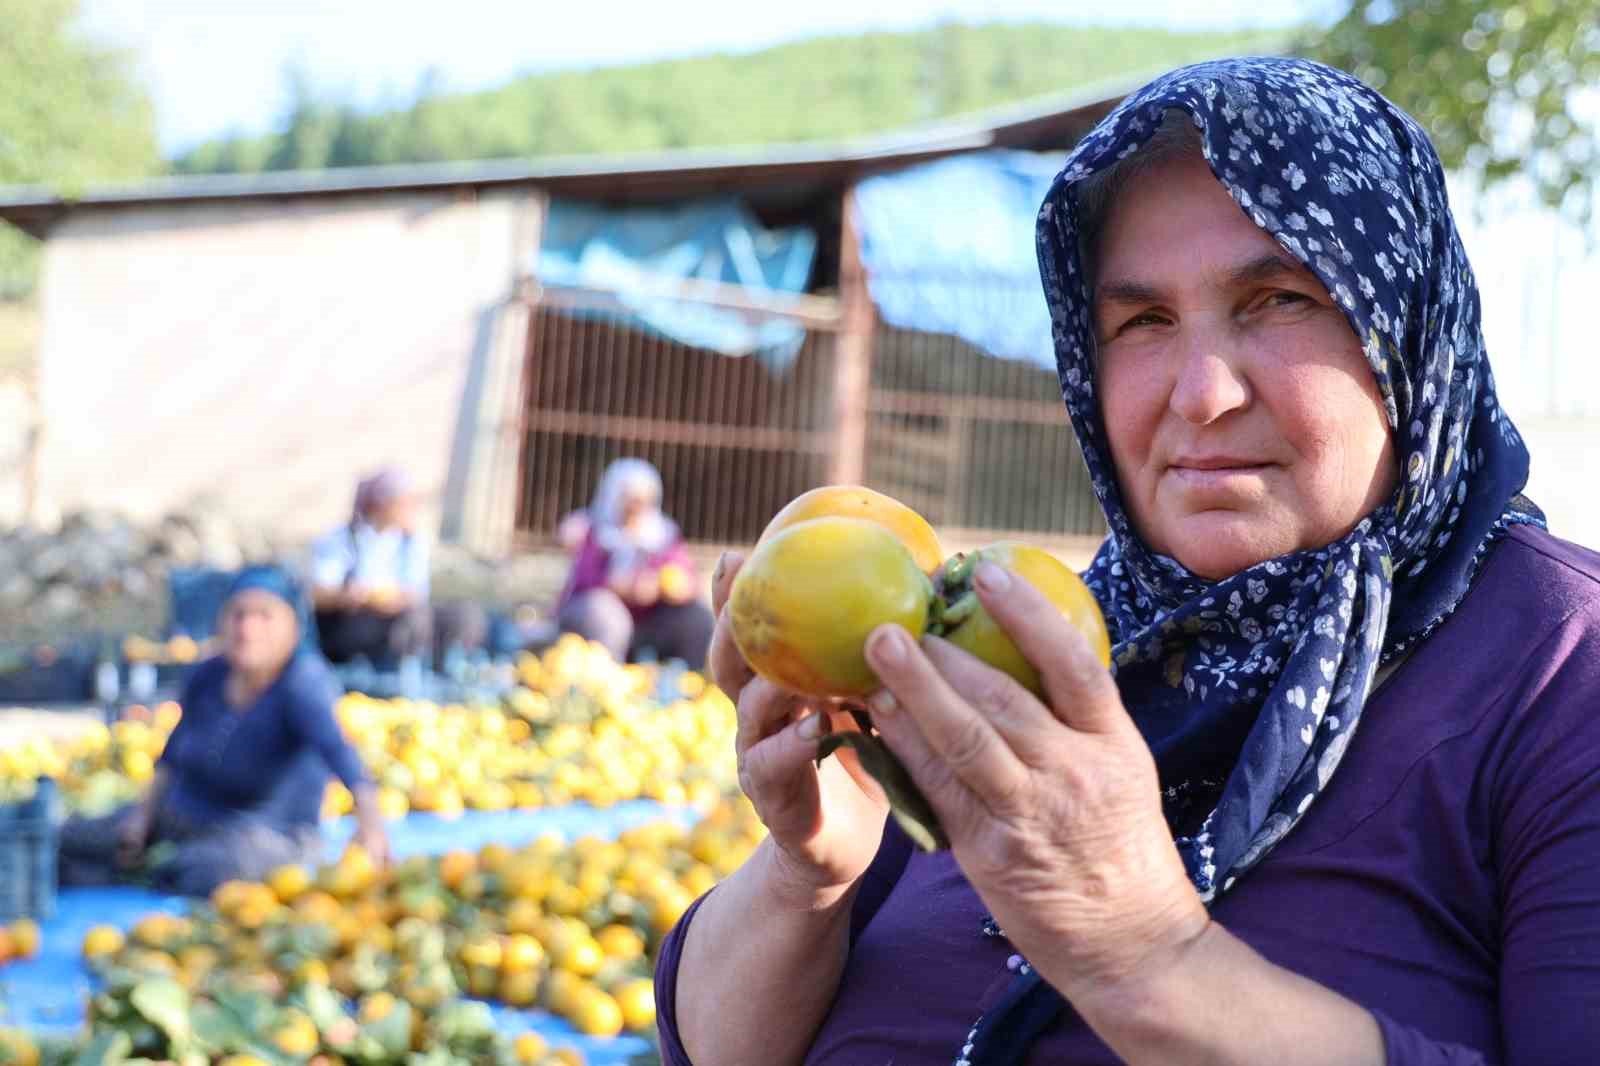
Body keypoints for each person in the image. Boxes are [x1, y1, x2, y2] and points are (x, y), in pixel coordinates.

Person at [656, 57, 1600, 1066]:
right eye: (1141, 321)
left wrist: (1146, 954)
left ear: (1401, 321)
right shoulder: (1035, 634)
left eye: (1277, 298)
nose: (1198, 395)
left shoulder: (1558, 671)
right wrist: (814, 876)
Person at [59, 566, 389, 896]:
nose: (248, 628)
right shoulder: (209, 675)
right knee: (68, 836)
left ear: (293, 625)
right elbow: (171, 757)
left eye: (264, 616)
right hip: (182, 819)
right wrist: (141, 817)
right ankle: (122, 868)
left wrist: (371, 827)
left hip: (266, 835)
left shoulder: (302, 682)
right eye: (238, 614)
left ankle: (140, 873)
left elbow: (342, 756)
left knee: (206, 868)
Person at [309, 468, 484, 669]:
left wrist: (394, 600)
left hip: (401, 617)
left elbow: (415, 593)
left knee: (462, 615)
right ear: (383, 504)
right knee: (410, 621)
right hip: (353, 621)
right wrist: (355, 596)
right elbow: (320, 594)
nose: (411, 509)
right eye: (404, 502)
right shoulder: (342, 539)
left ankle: (444, 673)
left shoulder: (410, 543)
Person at [556, 459, 715, 670]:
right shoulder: (595, 530)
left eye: (642, 501)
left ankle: (688, 681)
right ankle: (605, 682)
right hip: (600, 621)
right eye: (630, 500)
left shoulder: (663, 535)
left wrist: (664, 588)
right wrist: (619, 586)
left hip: (651, 621)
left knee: (697, 617)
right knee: (605, 613)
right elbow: (585, 579)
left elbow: (686, 576)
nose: (636, 508)